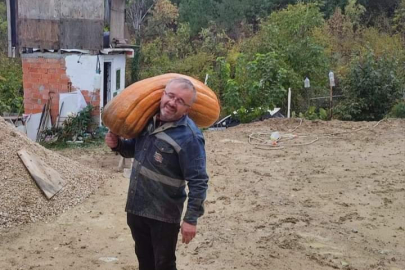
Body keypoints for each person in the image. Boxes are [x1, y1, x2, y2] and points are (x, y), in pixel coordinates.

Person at [105, 78, 209, 270]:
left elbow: (199, 181)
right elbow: (135, 151)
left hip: (164, 216)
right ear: (163, 94)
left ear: (187, 109)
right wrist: (118, 145)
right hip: (137, 207)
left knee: (164, 265)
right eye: (170, 95)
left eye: (180, 101)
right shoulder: (147, 121)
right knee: (145, 261)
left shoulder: (190, 137)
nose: (172, 103)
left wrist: (191, 219)